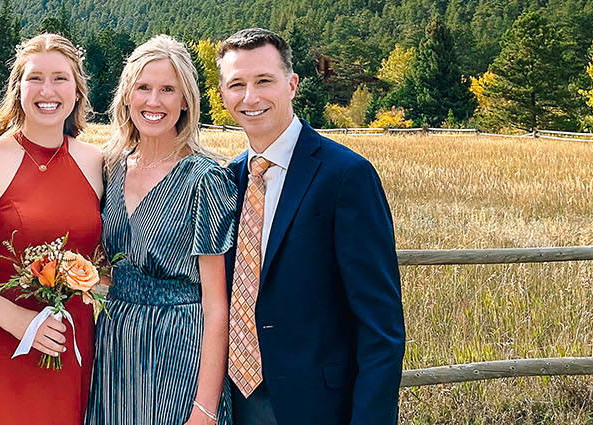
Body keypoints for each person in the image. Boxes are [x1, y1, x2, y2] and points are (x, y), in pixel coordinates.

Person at [214, 28, 406, 425]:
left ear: (292, 84)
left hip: (318, 404)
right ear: (222, 94)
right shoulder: (226, 181)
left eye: (264, 80)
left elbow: (381, 328)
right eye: (237, 84)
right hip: (234, 402)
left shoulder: (346, 176)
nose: (250, 97)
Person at [0, 33, 103, 425]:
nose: (47, 91)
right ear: (17, 89)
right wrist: (15, 320)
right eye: (35, 78)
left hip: (70, 340)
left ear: (77, 90)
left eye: (60, 79)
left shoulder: (98, 162)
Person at [84, 35, 234, 425]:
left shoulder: (206, 178)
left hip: (178, 353)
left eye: (168, 89)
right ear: (127, 96)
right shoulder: (111, 168)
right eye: (144, 88)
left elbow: (217, 305)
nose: (154, 101)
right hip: (114, 350)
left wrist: (205, 407)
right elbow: (103, 271)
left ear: (185, 100)